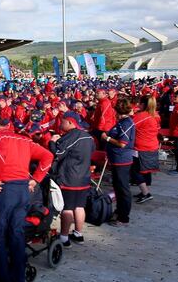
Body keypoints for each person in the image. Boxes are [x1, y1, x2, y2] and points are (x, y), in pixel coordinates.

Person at [0, 117, 53, 282]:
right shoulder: (24, 139)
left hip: (7, 190)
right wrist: (35, 179)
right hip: (23, 190)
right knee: (16, 234)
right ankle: (19, 281)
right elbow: (48, 156)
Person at [49, 111, 94, 246]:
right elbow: (92, 150)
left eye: (63, 121)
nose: (60, 123)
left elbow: (58, 153)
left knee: (67, 208)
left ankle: (64, 238)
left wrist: (52, 142)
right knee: (79, 206)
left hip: (70, 177)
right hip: (84, 176)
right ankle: (78, 234)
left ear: (70, 122)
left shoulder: (71, 136)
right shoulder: (88, 137)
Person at [101, 96, 136, 227]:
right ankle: (119, 211)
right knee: (117, 188)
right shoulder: (121, 122)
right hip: (116, 160)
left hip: (122, 160)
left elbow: (122, 143)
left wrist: (107, 138)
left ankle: (124, 217)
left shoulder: (126, 123)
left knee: (123, 189)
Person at [131, 96, 160, 204]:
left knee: (135, 170)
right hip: (152, 145)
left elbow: (130, 126)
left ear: (143, 104)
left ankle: (146, 193)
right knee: (146, 170)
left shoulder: (142, 115)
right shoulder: (155, 115)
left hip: (142, 147)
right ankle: (145, 190)